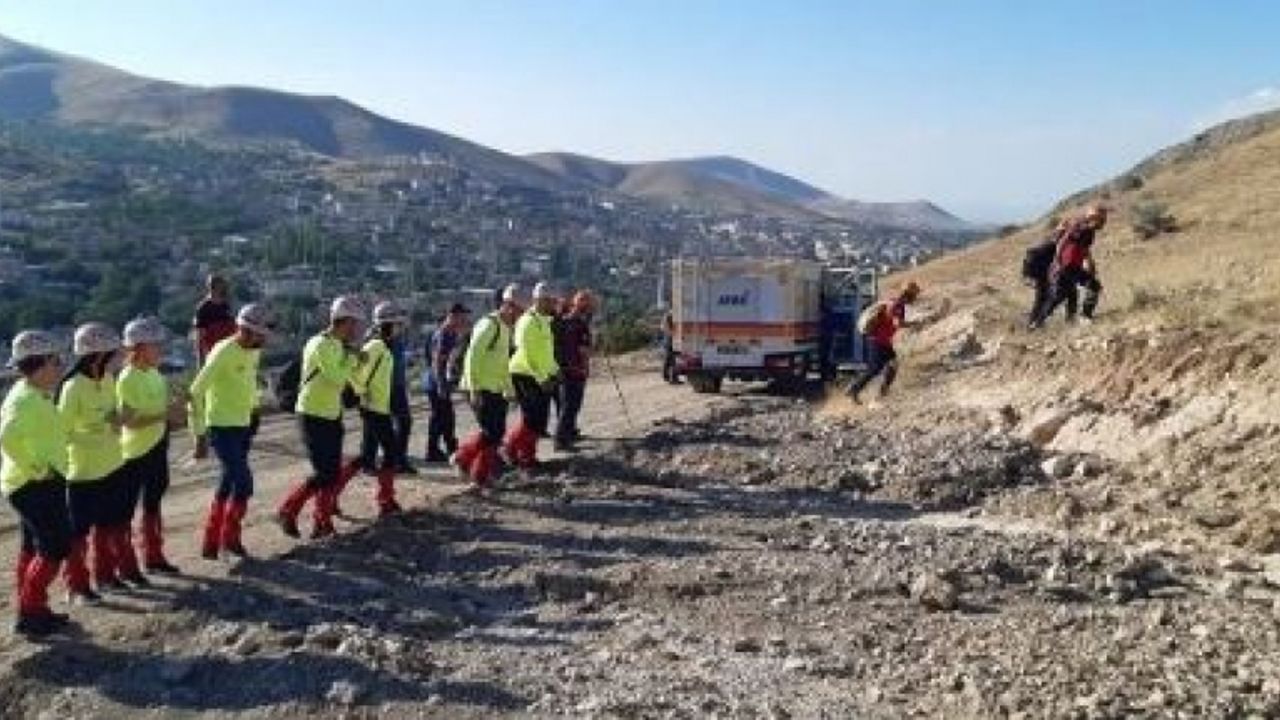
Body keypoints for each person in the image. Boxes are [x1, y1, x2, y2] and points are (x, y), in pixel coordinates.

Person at [59, 322, 140, 602]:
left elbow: (111, 413)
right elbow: (63, 432)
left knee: (109, 524)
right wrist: (96, 435)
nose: (117, 358)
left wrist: (121, 417)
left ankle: (105, 576)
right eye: (111, 353)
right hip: (83, 472)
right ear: (96, 355)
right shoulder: (72, 388)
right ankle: (77, 586)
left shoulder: (107, 379)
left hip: (113, 464)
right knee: (78, 533)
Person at [2, 330, 75, 638]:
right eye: (55, 361)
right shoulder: (25, 400)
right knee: (56, 545)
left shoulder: (33, 393)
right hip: (32, 484)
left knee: (33, 546)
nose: (60, 366)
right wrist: (37, 469)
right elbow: (6, 437)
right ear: (40, 363)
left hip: (40, 480)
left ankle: (32, 610)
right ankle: (31, 613)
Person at [275, 296, 366, 540]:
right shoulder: (321, 344)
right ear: (344, 321)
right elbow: (337, 378)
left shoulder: (339, 346)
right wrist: (352, 358)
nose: (357, 329)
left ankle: (321, 523)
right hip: (312, 414)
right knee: (324, 472)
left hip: (331, 414)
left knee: (332, 473)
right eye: (355, 323)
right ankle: (288, 509)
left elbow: (350, 380)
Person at [189, 303, 272, 559]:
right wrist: (199, 435)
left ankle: (212, 543)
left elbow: (248, 382)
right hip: (221, 427)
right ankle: (229, 538)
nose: (265, 339)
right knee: (244, 483)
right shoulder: (223, 352)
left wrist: (254, 410)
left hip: (243, 425)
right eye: (260, 334)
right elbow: (195, 392)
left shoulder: (253, 351)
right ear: (246, 330)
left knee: (228, 483)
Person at [117, 317, 179, 576]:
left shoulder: (155, 374)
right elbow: (129, 422)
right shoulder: (127, 379)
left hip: (157, 445)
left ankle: (154, 556)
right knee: (125, 510)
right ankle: (126, 564)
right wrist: (164, 415)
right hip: (133, 453)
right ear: (139, 348)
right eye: (155, 345)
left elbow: (162, 412)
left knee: (153, 503)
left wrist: (176, 410)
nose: (160, 349)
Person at [452, 285, 522, 492]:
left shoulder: (505, 329)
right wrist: (474, 389)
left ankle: (479, 475)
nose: (519, 317)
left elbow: (502, 364)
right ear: (508, 306)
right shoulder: (489, 324)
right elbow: (472, 357)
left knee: (496, 433)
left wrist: (510, 391)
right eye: (518, 311)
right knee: (491, 432)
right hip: (480, 387)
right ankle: (463, 457)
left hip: (496, 388)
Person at [349, 300, 405, 517]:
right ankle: (385, 500)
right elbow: (355, 374)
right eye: (397, 324)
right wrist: (363, 392)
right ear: (387, 325)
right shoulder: (375, 347)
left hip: (379, 407)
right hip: (372, 408)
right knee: (390, 452)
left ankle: (333, 493)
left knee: (367, 456)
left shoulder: (383, 346)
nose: (399, 328)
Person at [505, 282, 561, 471]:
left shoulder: (544, 321)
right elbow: (527, 354)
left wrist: (555, 369)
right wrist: (541, 378)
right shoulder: (528, 322)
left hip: (539, 375)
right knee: (532, 418)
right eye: (550, 301)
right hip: (524, 374)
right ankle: (513, 449)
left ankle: (525, 454)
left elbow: (545, 351)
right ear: (539, 300)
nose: (553, 304)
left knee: (538, 419)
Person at [1031, 205, 1108, 328]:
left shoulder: (1089, 230)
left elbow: (1084, 248)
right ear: (1094, 218)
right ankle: (1084, 317)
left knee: (1062, 295)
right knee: (1090, 287)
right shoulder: (1081, 227)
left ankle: (1039, 321)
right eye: (1102, 219)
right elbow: (1063, 242)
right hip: (1067, 265)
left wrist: (1090, 262)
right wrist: (1057, 262)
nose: (1104, 223)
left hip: (1071, 265)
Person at [846, 281, 921, 403]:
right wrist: (914, 323)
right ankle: (855, 390)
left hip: (882, 341)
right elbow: (897, 323)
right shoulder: (897, 305)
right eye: (915, 295)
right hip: (878, 341)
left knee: (892, 364)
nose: (915, 298)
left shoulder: (894, 302)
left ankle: (882, 392)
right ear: (909, 295)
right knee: (875, 368)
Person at [191, 275, 236, 460]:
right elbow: (199, 337)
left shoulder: (225, 306)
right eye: (219, 285)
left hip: (228, 357)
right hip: (212, 356)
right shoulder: (203, 308)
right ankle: (203, 435)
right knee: (203, 396)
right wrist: (200, 362)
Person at [424, 303, 471, 463]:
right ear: (453, 316)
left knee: (443, 417)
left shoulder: (450, 333)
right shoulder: (443, 334)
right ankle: (438, 450)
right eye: (462, 316)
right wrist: (441, 385)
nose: (464, 320)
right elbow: (437, 361)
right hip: (436, 382)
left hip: (438, 382)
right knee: (442, 417)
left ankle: (444, 448)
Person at [553, 290, 594, 451]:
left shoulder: (564, 320)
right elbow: (584, 349)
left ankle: (568, 433)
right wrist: (585, 367)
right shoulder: (579, 323)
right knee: (571, 405)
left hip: (563, 366)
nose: (590, 306)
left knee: (568, 404)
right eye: (588, 303)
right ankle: (561, 439)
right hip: (575, 368)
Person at [387, 307, 415, 476]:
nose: (400, 325)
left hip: (398, 386)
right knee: (396, 424)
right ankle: (395, 460)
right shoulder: (383, 340)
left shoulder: (397, 339)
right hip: (387, 387)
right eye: (397, 322)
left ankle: (399, 459)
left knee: (403, 423)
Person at [661, 310, 681, 384]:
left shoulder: (668, 315)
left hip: (670, 339)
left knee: (670, 359)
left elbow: (663, 327)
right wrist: (672, 334)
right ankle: (672, 378)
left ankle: (668, 376)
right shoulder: (670, 315)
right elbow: (664, 327)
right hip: (670, 339)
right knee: (671, 359)